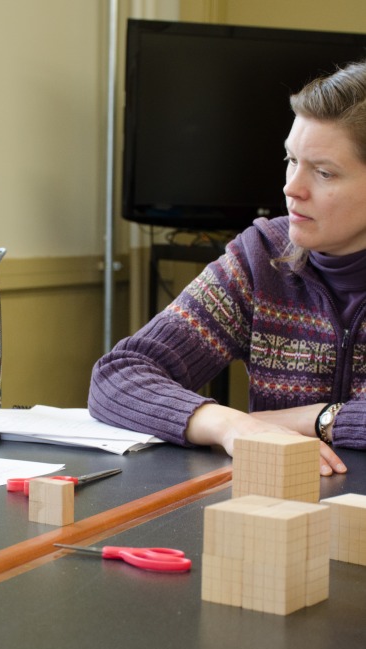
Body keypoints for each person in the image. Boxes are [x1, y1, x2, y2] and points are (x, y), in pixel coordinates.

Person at [89, 59, 366, 477]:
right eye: (291, 160)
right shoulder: (261, 257)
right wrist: (231, 425)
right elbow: (118, 377)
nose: (292, 187)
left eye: (323, 172)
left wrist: (314, 420)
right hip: (275, 516)